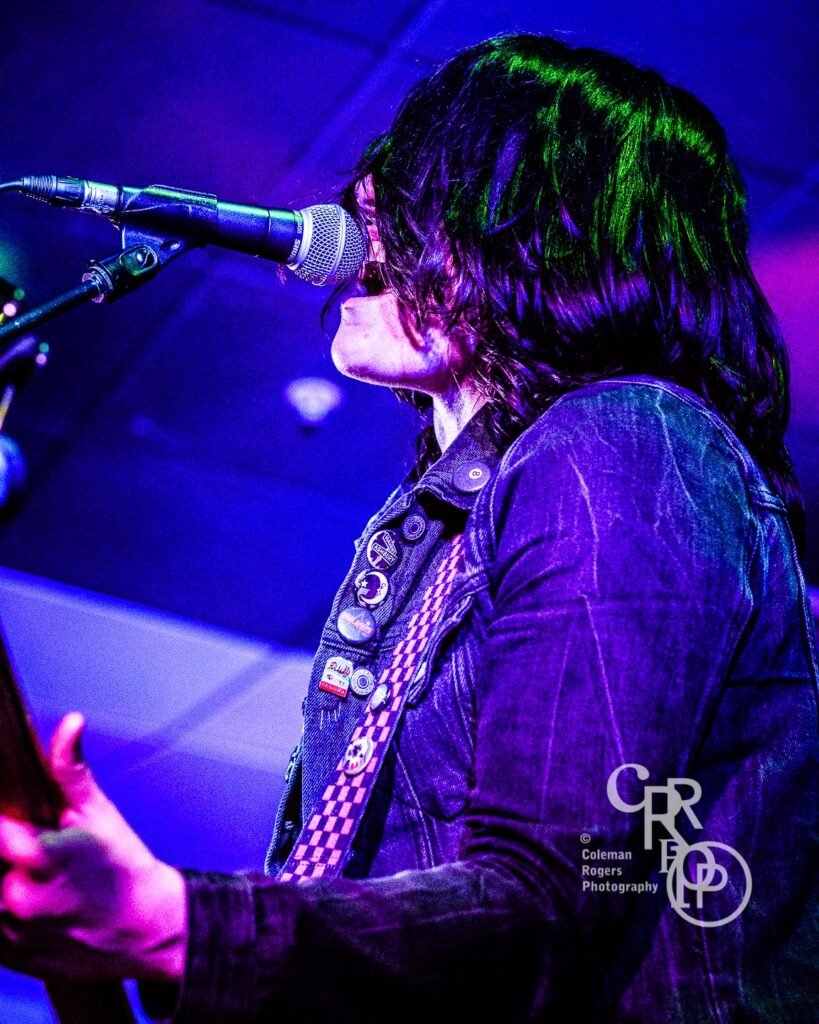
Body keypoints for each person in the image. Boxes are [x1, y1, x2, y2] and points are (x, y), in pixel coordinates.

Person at [0, 32, 817, 1024]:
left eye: (429, 184)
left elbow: (547, 907)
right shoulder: (448, 524)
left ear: (553, 233)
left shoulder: (627, 443)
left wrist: (178, 926)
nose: (363, 205)